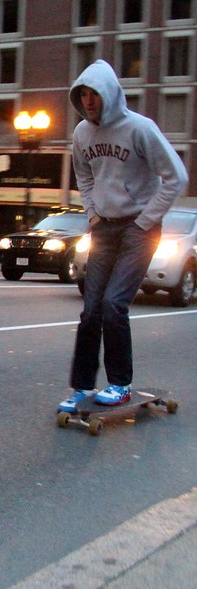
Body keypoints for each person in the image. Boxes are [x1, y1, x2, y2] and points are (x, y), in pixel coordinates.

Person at [58, 59, 188, 413]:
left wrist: (146, 220)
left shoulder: (140, 129)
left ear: (110, 94)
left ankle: (120, 384)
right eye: (83, 94)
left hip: (138, 229)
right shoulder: (82, 134)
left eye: (95, 94)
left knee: (114, 305)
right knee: (91, 310)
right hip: (103, 227)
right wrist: (92, 213)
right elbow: (84, 176)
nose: (88, 101)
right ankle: (82, 386)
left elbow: (176, 176)